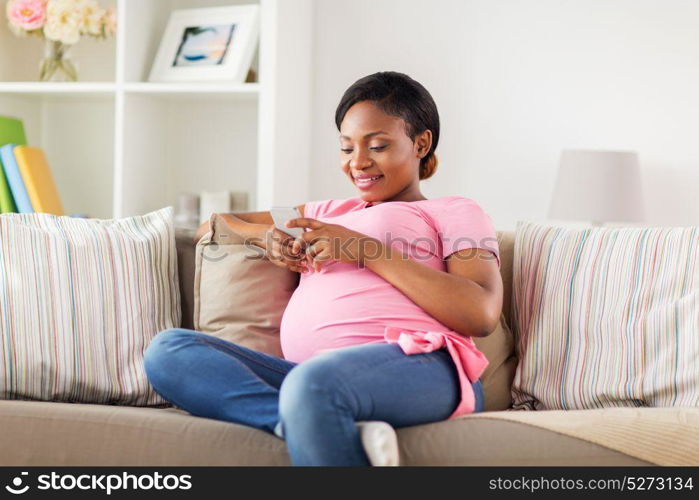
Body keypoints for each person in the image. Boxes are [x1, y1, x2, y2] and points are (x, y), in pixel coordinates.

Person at [143, 71, 503, 466]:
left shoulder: (453, 210)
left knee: (313, 383)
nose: (359, 162)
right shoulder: (325, 212)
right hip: (310, 378)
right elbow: (212, 224)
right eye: (347, 149)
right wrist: (261, 238)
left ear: (421, 143)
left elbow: (480, 313)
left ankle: (313, 411)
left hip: (423, 367)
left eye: (378, 145)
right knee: (168, 350)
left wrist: (363, 249)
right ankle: (308, 421)